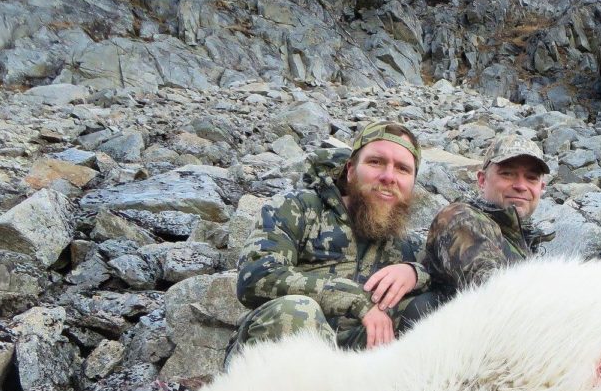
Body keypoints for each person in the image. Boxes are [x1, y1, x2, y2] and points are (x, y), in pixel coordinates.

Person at [227, 120, 429, 361]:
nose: (388, 177)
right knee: (297, 311)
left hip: (357, 370)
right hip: (279, 361)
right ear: (351, 171)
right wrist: (355, 299)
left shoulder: (412, 246)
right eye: (376, 162)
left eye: (402, 169)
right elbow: (256, 277)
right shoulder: (297, 208)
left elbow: (461, 289)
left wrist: (415, 273)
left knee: (430, 311)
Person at [417, 134, 553, 309]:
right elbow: (495, 294)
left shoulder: (523, 240)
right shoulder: (461, 219)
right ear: (482, 180)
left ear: (541, 188)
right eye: (508, 174)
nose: (521, 185)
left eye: (531, 177)